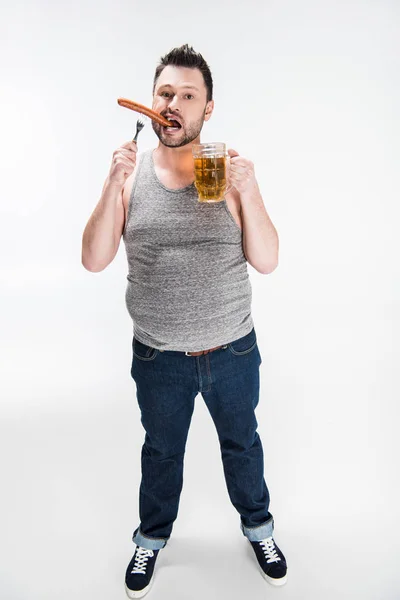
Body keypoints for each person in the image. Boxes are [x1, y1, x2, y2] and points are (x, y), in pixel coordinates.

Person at [82, 43, 287, 599]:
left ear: (207, 108)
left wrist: (250, 189)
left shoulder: (225, 169)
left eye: (187, 95)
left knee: (242, 444)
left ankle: (259, 529)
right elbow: (94, 259)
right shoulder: (129, 177)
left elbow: (266, 260)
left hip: (233, 352)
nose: (173, 103)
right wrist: (109, 185)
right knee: (161, 450)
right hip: (158, 357)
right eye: (165, 93)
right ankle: (151, 537)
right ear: (152, 103)